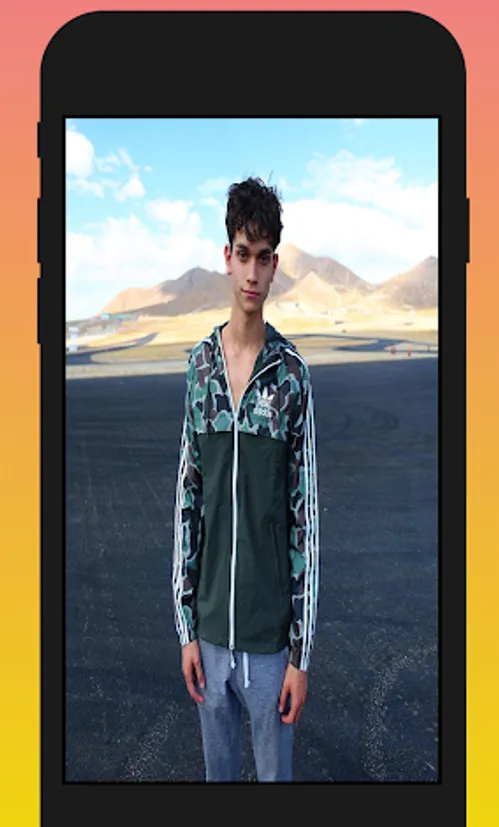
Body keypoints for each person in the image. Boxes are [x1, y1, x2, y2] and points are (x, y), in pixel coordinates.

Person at [172, 176, 319, 782]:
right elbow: (188, 500)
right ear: (226, 258)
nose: (252, 273)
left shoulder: (292, 376)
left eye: (264, 257)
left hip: (269, 645)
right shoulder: (200, 368)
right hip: (209, 639)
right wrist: (186, 629)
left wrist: (300, 656)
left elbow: (306, 522)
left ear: (275, 265)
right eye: (243, 254)